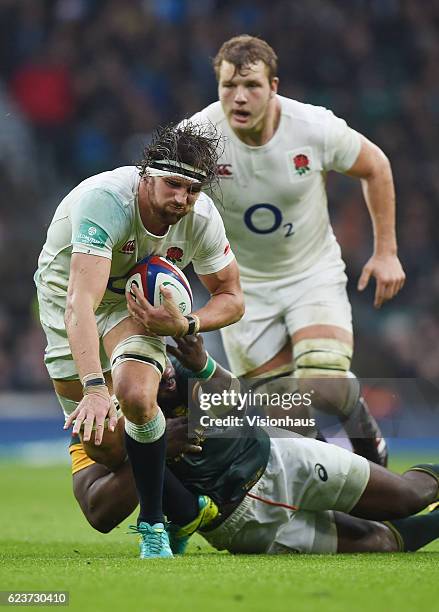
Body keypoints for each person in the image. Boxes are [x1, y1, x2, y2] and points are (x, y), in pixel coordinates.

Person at [187, 35, 407, 465]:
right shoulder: (199, 137)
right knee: (287, 416)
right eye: (228, 86)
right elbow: (160, 191)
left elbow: (375, 166)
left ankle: (369, 448)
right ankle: (350, 484)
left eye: (251, 85)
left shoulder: (313, 127)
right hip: (241, 286)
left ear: (274, 87)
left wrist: (386, 252)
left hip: (311, 272)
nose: (239, 97)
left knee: (324, 384)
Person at [34, 122, 244, 558]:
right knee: (107, 447)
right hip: (69, 298)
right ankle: (183, 506)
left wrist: (186, 325)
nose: (181, 200)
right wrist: (93, 387)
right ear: (146, 173)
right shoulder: (106, 201)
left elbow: (232, 297)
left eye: (192, 190)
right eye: (172, 184)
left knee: (134, 395)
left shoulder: (201, 218)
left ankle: (153, 527)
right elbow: (81, 303)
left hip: (136, 309)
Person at [70, 334, 439, 555]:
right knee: (382, 542)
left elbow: (246, 405)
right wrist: (153, 448)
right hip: (242, 523)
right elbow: (98, 511)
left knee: (408, 496)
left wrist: (206, 366)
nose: (162, 368)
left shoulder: (180, 367)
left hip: (283, 458)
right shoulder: (95, 419)